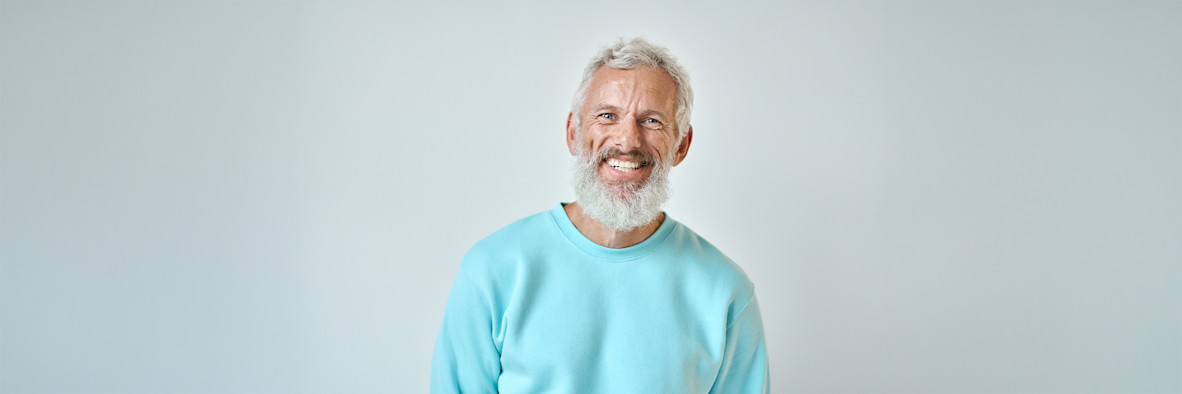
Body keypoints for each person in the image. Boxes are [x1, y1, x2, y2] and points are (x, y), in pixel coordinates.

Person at [430, 37, 770, 394]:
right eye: (607, 115)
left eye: (652, 120)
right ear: (574, 133)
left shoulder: (726, 293)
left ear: (681, 145)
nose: (627, 141)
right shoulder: (491, 271)